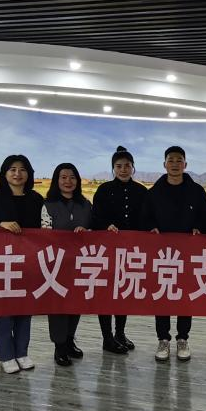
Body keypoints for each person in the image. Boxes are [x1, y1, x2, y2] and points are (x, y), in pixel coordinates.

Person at [141, 145, 206, 362]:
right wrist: (151, 227)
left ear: (185, 164)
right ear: (164, 164)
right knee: (162, 295)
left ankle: (182, 338)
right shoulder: (154, 192)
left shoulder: (197, 191)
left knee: (184, 296)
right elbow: (145, 217)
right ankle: (163, 339)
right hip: (162, 256)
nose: (174, 164)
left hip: (188, 255)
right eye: (170, 160)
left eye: (179, 160)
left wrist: (199, 228)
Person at [0, 155, 44, 374]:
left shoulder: (36, 199)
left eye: (22, 169)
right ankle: (6, 355)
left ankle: (22, 352)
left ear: (29, 173)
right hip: (1, 262)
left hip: (29, 261)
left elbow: (44, 229)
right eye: (12, 169)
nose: (17, 174)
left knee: (25, 309)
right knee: (4, 311)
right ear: (4, 173)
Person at [89, 146, 148, 354]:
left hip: (130, 251)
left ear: (133, 167)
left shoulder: (142, 191)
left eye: (127, 166)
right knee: (106, 293)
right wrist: (106, 226)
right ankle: (107, 338)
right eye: (119, 166)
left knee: (123, 291)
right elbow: (95, 217)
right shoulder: (103, 190)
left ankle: (120, 334)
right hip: (106, 251)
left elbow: (146, 219)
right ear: (113, 168)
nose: (123, 169)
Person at [42, 163, 93, 367]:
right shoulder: (48, 205)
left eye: (72, 177)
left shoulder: (86, 204)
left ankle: (70, 340)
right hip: (56, 264)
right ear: (57, 181)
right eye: (63, 177)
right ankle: (59, 346)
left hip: (80, 263)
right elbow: (43, 234)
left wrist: (86, 232)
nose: (68, 181)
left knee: (75, 304)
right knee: (58, 307)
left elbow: (94, 230)